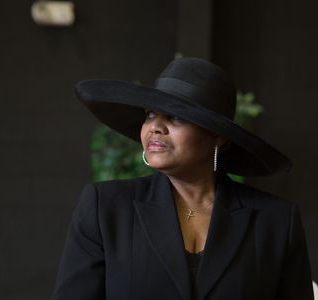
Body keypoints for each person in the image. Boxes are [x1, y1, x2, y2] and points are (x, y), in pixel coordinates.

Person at [52, 58, 313, 300]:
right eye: (150, 114)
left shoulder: (276, 222)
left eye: (174, 116)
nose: (155, 126)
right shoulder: (105, 207)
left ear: (217, 135)